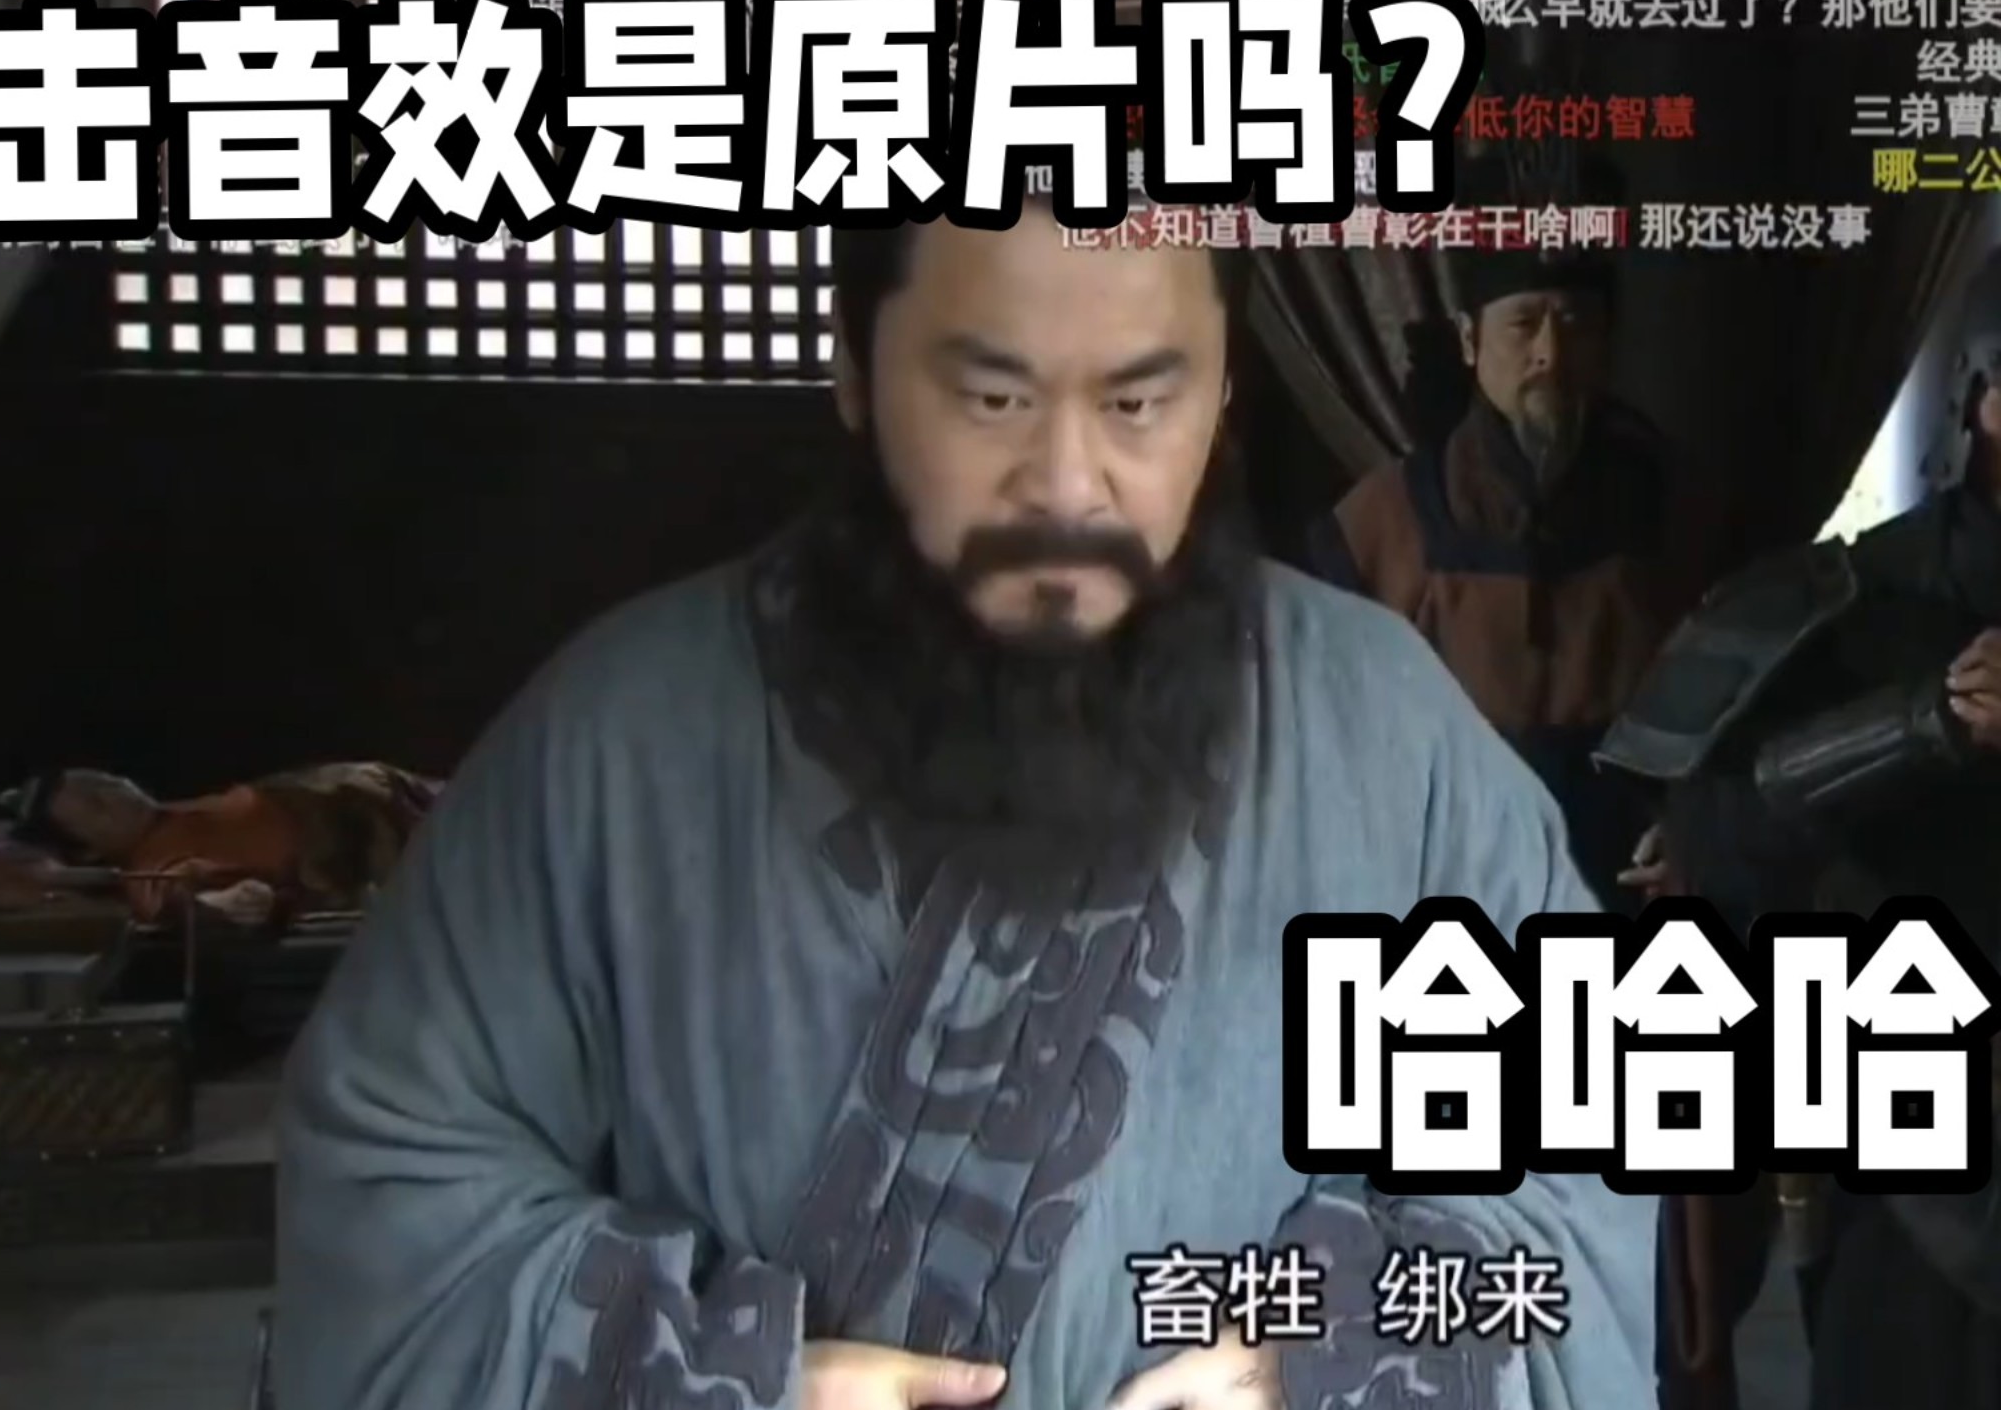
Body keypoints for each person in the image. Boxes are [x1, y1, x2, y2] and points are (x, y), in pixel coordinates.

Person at [272, 203, 1656, 1410]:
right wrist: (717, 1378)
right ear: (855, 373)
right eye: (991, 396)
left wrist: (1330, 1368)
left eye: (1140, 401)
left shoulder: (1388, 732)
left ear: (1224, 389)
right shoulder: (615, 737)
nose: (1066, 484)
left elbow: (1573, 1178)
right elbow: (387, 1198)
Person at [1604, 254, 2001, 1410]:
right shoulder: (1853, 603)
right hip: (1914, 1160)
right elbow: (1707, 841)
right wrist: (1926, 725)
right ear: (1982, 399)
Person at [1306, 164, 1697, 909]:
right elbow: (1315, 747)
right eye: (1524, 324)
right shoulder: (1379, 527)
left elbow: (1735, 724)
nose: (1551, 353)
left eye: (1575, 323)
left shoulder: (1672, 509)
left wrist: (1695, 831)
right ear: (1468, 339)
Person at [0, 762, 441, 927]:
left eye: (101, 782)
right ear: (90, 851)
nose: (112, 795)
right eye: (96, 808)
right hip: (372, 841)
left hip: (381, 795)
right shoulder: (154, 862)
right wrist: (220, 906)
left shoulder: (177, 814)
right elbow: (177, 899)